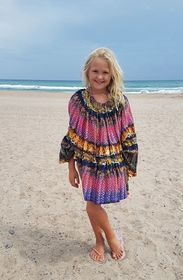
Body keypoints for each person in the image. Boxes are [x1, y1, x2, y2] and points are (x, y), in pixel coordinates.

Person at [59, 48, 138, 263]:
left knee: (93, 203)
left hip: (112, 161)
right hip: (86, 161)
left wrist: (129, 165)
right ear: (87, 71)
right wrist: (70, 167)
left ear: (112, 74)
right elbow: (73, 135)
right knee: (92, 202)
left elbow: (128, 134)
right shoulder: (78, 101)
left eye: (105, 72)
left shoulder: (120, 101)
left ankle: (101, 240)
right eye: (95, 71)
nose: (100, 77)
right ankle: (108, 239)